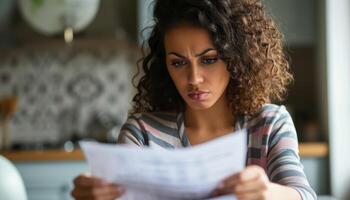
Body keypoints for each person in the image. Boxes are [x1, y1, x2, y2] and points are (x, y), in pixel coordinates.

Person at [71, 0, 317, 199]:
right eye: (178, 63)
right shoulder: (142, 133)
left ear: (237, 58)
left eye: (208, 59)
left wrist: (269, 193)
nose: (194, 78)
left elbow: (304, 194)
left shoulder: (271, 124)